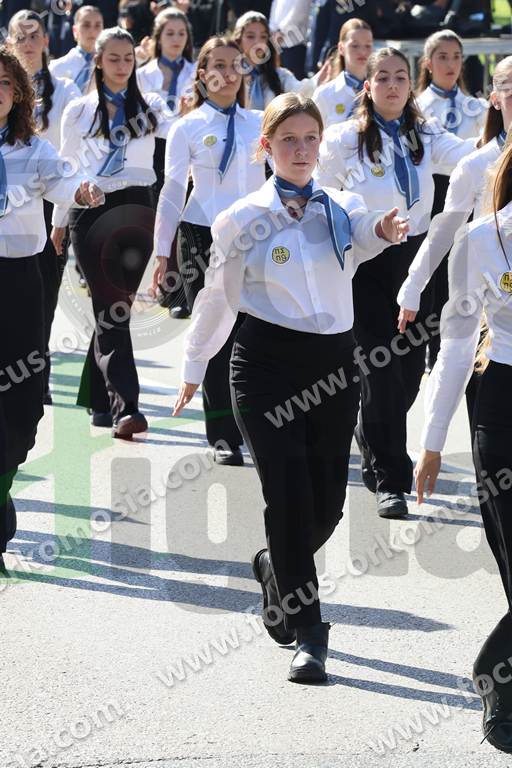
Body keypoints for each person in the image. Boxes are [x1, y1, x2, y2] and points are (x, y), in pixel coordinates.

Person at [172, 92, 409, 682]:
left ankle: (274, 566)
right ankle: (310, 631)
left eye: (309, 140)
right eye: (288, 140)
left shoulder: (342, 206)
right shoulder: (241, 218)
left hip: (333, 366)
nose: (301, 151)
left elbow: (367, 231)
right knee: (288, 495)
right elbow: (218, 298)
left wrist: (383, 227)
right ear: (266, 147)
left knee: (327, 503)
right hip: (264, 365)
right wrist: (194, 364)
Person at [316, 47, 476, 519]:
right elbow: (321, 191)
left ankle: (371, 433)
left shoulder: (425, 133)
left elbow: (471, 157)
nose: (392, 85)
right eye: (382, 77)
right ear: (367, 87)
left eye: (400, 77)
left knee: (406, 375)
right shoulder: (345, 139)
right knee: (380, 369)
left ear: (411, 85)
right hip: (366, 260)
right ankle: (392, 480)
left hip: (418, 261)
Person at [415, 141, 512, 755]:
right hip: (501, 403)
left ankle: (495, 667)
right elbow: (455, 343)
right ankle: (499, 679)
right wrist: (431, 443)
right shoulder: (481, 239)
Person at [0, 47, 102, 572]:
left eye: (4, 83)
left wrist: (80, 191)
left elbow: (64, 180)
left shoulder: (34, 150)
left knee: (22, 404)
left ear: (18, 93)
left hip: (20, 282)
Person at [51, 27, 174, 437]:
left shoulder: (152, 106)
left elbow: (181, 137)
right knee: (111, 308)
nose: (122, 66)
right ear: (99, 61)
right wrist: (59, 223)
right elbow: (67, 168)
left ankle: (98, 399)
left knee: (116, 307)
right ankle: (128, 407)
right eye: (114, 58)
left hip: (138, 207)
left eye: (128, 58)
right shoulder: (79, 110)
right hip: (92, 209)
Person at [151, 36, 266, 466]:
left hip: (256, 234)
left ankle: (254, 424)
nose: (228, 73)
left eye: (236, 64)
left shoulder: (261, 122)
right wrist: (162, 250)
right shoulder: (187, 127)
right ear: (202, 74)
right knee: (215, 331)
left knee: (254, 334)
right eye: (218, 65)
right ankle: (222, 434)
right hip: (203, 235)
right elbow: (172, 191)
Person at [398, 55, 512, 424]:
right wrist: (413, 286)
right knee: (474, 389)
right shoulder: (475, 165)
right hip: (487, 299)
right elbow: (444, 232)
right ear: (495, 99)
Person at [8, 10, 82, 406]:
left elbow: (66, 162)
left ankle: (37, 378)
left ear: (46, 41)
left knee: (41, 301)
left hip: (45, 211)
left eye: (34, 35)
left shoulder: (64, 89)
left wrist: (63, 216)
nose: (27, 43)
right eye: (19, 36)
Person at [415, 30, 487, 370]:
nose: (450, 64)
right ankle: (430, 347)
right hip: (435, 191)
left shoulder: (478, 107)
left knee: (464, 268)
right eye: (442, 57)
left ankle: (462, 343)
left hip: (470, 192)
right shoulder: (417, 107)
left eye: (456, 57)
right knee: (433, 268)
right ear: (428, 63)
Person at [232, 11, 328, 111]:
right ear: (238, 39)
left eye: (263, 37)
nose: (258, 42)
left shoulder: (280, 75)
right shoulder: (230, 75)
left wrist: (320, 78)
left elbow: (301, 93)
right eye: (250, 36)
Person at [312, 18, 373, 129]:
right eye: (355, 46)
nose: (363, 51)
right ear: (341, 48)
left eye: (368, 46)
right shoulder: (324, 94)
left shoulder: (379, 91)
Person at [49, 5, 104, 95]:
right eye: (86, 25)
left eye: (97, 26)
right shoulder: (57, 67)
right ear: (75, 31)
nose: (92, 30)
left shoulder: (110, 66)